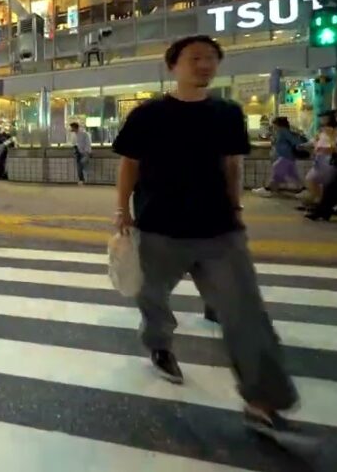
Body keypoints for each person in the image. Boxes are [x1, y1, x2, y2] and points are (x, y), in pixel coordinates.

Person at [113, 35, 302, 446]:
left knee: (246, 315)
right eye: (195, 57)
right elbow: (130, 164)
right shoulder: (148, 114)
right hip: (159, 228)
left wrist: (235, 208)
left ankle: (263, 401)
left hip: (219, 231)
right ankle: (159, 344)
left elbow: (231, 165)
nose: (204, 64)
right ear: (173, 66)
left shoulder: (227, 113)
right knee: (151, 296)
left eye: (211, 58)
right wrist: (122, 211)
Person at [254, 117, 303, 196]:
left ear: (278, 124)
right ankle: (302, 191)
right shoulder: (281, 132)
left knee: (276, 170)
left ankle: (268, 190)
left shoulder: (283, 131)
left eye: (274, 124)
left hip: (285, 156)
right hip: (289, 157)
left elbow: (295, 141)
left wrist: (299, 145)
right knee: (293, 175)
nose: (273, 126)